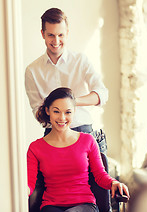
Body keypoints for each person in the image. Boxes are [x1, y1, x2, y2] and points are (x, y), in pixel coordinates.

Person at [27, 87, 130, 212]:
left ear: (74, 112)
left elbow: (100, 175)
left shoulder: (88, 141)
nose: (62, 117)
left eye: (68, 112)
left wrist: (113, 183)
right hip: (51, 208)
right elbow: (29, 183)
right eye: (56, 111)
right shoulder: (36, 148)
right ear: (47, 111)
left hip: (86, 207)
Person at [25, 7, 108, 135]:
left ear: (67, 33)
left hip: (83, 131)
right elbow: (37, 110)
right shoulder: (32, 70)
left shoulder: (81, 60)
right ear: (43, 34)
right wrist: (56, 115)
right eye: (51, 35)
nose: (56, 41)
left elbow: (102, 94)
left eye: (61, 35)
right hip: (52, 133)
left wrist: (72, 102)